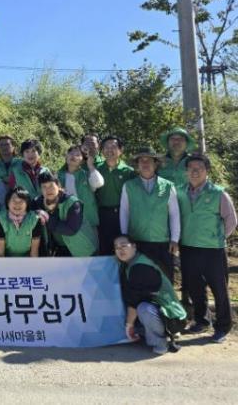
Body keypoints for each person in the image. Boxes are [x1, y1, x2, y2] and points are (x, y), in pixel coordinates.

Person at [176, 153, 237, 343]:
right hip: (188, 247)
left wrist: (217, 237)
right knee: (195, 288)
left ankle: (223, 327)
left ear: (207, 171)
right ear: (186, 171)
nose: (195, 172)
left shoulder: (218, 193)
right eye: (191, 168)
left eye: (199, 168)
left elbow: (231, 220)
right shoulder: (180, 192)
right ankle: (202, 321)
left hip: (213, 249)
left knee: (219, 290)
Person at [114, 236, 186, 355]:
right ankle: (146, 333)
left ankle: (161, 343)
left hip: (171, 316)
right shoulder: (131, 262)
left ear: (134, 246)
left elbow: (135, 301)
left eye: (123, 246)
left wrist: (129, 326)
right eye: (116, 248)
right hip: (157, 309)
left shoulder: (140, 266)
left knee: (143, 308)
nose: (120, 250)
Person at [119, 147, 180, 280]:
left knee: (164, 278)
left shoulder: (168, 186)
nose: (145, 163)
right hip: (137, 241)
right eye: (142, 160)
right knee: (139, 278)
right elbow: (124, 212)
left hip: (161, 242)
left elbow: (174, 214)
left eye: (149, 160)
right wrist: (124, 237)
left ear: (155, 164)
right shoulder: (129, 186)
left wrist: (175, 239)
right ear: (137, 165)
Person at [35, 172, 98, 257]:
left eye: (51, 186)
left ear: (58, 186)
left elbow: (71, 229)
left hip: (83, 249)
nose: (48, 190)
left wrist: (48, 218)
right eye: (44, 187)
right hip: (60, 248)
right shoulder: (39, 203)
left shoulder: (73, 203)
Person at [95, 135, 135, 255]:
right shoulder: (96, 170)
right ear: (102, 151)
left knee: (123, 247)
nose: (109, 150)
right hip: (102, 214)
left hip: (123, 214)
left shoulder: (129, 171)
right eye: (106, 147)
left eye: (113, 147)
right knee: (104, 247)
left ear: (120, 150)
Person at [57, 145, 103, 229]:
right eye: (71, 153)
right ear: (66, 157)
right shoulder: (59, 176)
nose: (73, 156)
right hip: (66, 220)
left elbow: (98, 183)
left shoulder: (87, 175)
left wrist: (90, 165)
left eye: (77, 155)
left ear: (82, 161)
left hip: (88, 221)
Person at [0, 187, 41, 257]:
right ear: (8, 202)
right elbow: (0, 252)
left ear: (27, 203)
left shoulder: (35, 219)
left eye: (21, 201)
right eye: (14, 201)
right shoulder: (0, 219)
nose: (17, 204)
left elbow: (34, 252)